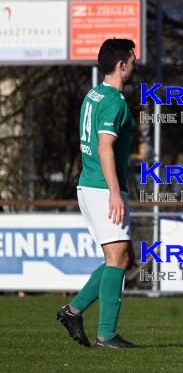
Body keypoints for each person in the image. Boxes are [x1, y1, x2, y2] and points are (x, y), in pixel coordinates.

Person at [56, 39, 138, 349]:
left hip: (88, 185)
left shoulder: (93, 95)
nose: (135, 65)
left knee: (120, 256)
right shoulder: (115, 101)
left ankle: (73, 311)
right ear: (121, 65)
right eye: (132, 60)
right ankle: (107, 335)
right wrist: (115, 192)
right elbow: (104, 145)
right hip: (103, 188)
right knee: (117, 258)